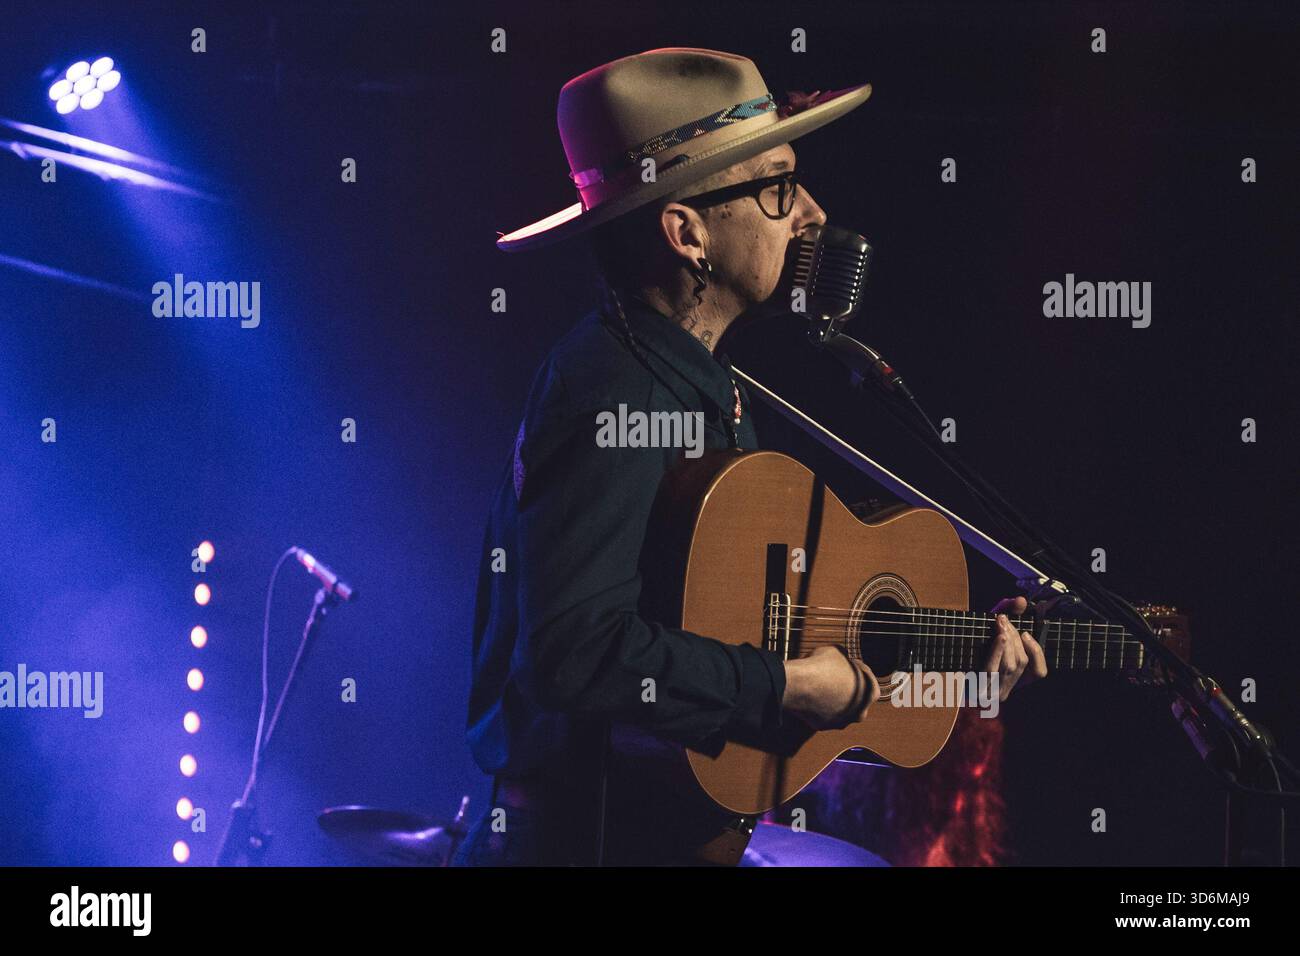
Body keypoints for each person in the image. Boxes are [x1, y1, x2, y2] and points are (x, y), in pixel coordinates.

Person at [454, 47, 1047, 866]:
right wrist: (795, 685)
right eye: (777, 186)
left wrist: (955, 673)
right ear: (687, 231)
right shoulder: (614, 389)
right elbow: (574, 654)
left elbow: (736, 651)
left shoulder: (702, 385)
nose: (808, 213)